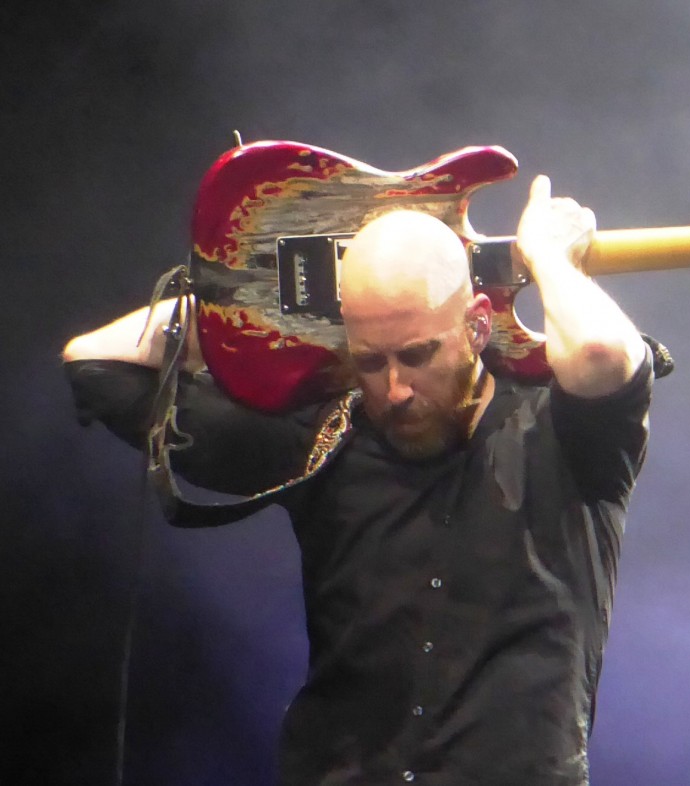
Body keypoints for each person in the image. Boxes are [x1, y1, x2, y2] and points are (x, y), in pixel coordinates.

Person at [63, 174, 654, 785]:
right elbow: (96, 364)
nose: (395, 389)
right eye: (370, 359)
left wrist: (551, 258)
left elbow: (599, 354)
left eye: (417, 354)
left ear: (477, 326)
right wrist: (249, 303)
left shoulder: (565, 437)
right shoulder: (325, 437)